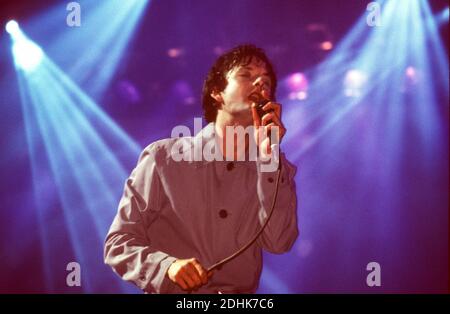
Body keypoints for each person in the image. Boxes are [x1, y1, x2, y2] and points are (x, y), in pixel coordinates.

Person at [104, 44, 299, 294]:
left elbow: (279, 242)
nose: (260, 83)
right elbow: (118, 244)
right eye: (246, 75)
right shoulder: (163, 158)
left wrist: (270, 158)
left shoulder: (271, 169)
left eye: (267, 81)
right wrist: (166, 267)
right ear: (217, 92)